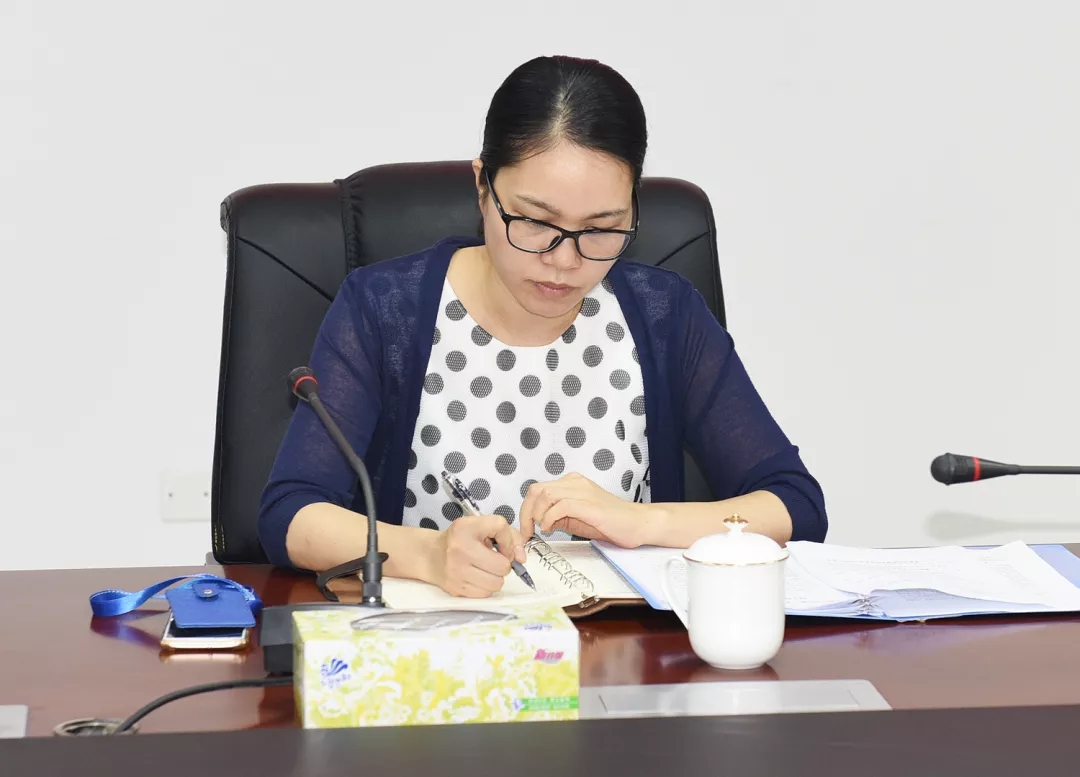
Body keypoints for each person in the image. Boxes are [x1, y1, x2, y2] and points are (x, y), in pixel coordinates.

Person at [257, 55, 827, 598]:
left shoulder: (664, 315)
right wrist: (427, 554)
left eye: (600, 229)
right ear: (482, 186)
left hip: (619, 649)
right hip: (445, 644)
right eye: (535, 221)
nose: (564, 260)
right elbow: (291, 513)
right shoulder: (387, 310)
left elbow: (794, 505)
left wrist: (641, 522)